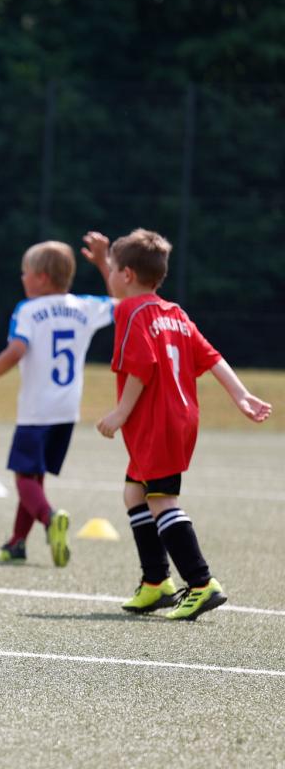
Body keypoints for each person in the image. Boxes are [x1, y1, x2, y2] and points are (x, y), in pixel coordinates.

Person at [92, 229, 271, 620]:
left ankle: (202, 583)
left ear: (126, 274)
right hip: (179, 417)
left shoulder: (129, 312)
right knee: (135, 493)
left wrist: (120, 412)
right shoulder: (174, 313)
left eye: (113, 269)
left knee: (161, 500)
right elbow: (212, 356)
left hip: (155, 422)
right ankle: (156, 582)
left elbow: (141, 365)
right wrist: (240, 394)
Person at [0, 240, 114, 566]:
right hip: (67, 410)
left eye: (26, 272)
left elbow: (17, 350)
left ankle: (50, 518)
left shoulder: (28, 310)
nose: (22, 278)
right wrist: (103, 263)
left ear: (42, 277)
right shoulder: (85, 306)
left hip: (36, 409)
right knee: (35, 476)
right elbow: (123, 302)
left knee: (23, 478)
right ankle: (17, 542)